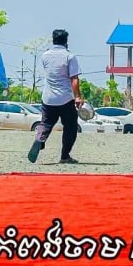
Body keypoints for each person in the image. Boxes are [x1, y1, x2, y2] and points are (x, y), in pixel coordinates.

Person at [28, 28, 84, 164]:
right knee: (70, 126)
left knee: (46, 123)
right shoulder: (70, 56)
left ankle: (39, 139)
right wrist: (77, 97)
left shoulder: (45, 55)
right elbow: (74, 79)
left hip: (48, 98)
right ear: (66, 41)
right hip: (65, 98)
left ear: (53, 40)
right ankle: (65, 156)